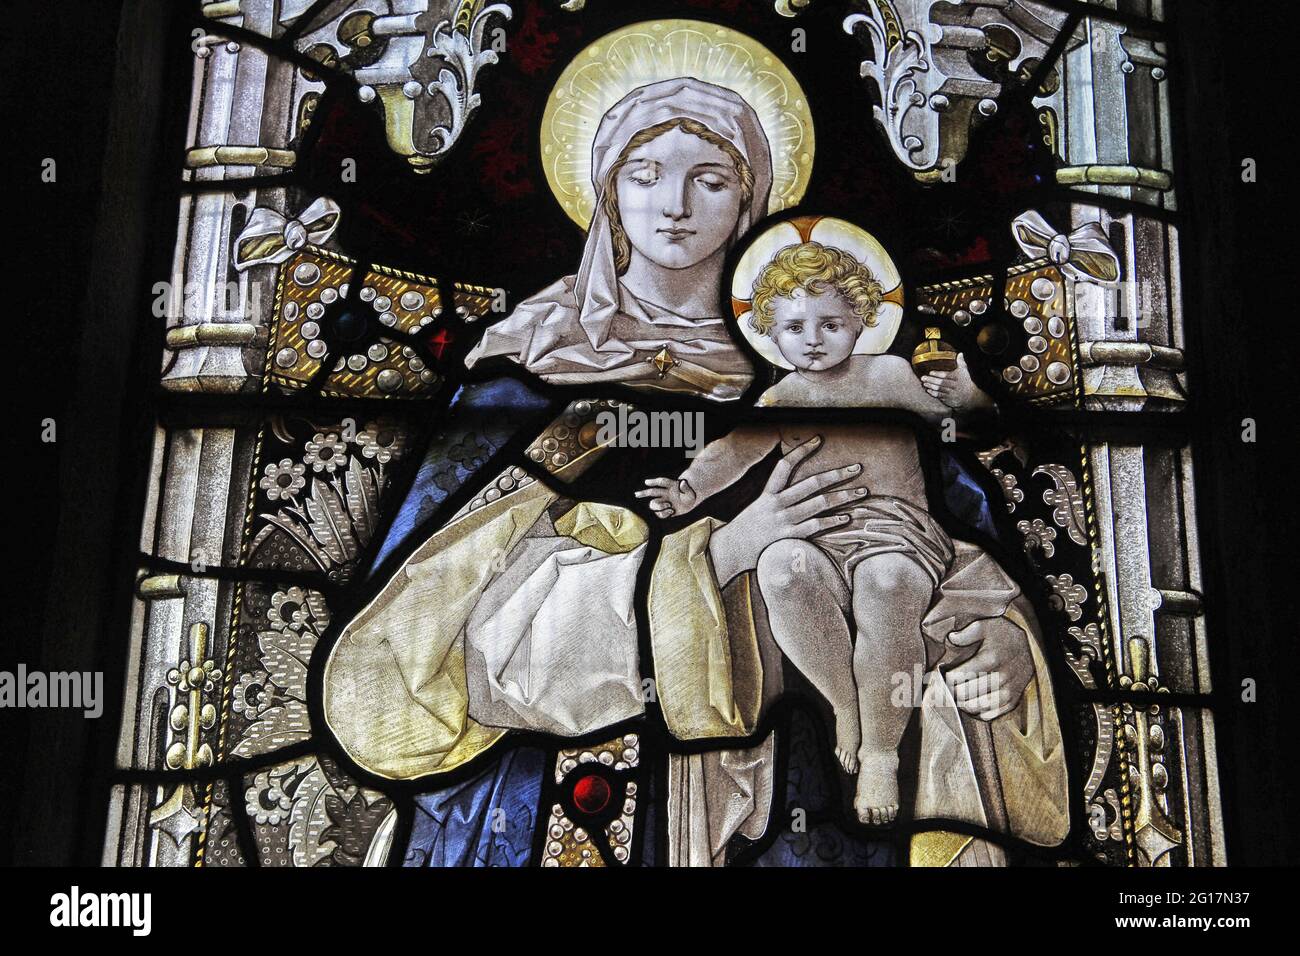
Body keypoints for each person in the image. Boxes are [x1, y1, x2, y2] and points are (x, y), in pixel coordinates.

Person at [639, 240, 995, 823]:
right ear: (768, 332)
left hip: (897, 535)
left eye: (831, 322)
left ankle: (880, 752)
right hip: (820, 541)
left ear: (862, 319)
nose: (812, 338)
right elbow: (732, 454)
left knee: (884, 585)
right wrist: (687, 490)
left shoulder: (891, 374)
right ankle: (845, 707)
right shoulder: (781, 397)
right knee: (780, 565)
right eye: (794, 326)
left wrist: (969, 396)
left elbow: (958, 430)